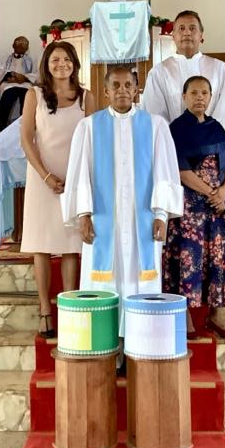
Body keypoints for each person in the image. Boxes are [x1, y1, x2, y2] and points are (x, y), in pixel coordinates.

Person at [60, 64, 184, 338]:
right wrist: (83, 214)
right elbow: (80, 173)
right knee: (104, 279)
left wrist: (161, 215)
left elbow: (164, 171)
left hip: (143, 219)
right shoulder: (89, 127)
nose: (122, 91)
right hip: (104, 221)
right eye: (115, 86)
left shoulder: (155, 125)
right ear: (105, 91)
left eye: (128, 85)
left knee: (141, 278)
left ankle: (140, 341)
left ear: (137, 89)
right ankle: (104, 340)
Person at [19, 41, 95, 338]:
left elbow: (93, 140)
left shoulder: (86, 97)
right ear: (46, 64)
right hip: (42, 177)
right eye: (55, 59)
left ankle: (69, 309)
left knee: (70, 245)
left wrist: (81, 179)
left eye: (66, 59)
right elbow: (26, 139)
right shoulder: (34, 95)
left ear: (75, 63)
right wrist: (46, 175)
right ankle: (45, 311)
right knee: (41, 244)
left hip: (74, 179)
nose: (61, 64)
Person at [163, 76, 225, 339]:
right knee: (190, 260)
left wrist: (224, 192)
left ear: (210, 97)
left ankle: (215, 316)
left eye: (204, 93)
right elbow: (180, 170)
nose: (200, 97)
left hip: (219, 207)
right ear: (184, 97)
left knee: (217, 259)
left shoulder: (216, 126)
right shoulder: (177, 128)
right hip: (191, 208)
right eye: (194, 93)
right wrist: (211, 192)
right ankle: (185, 318)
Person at [141, 10, 225, 150]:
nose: (187, 33)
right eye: (181, 28)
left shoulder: (221, 69)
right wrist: (175, 144)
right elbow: (155, 116)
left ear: (201, 35)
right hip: (174, 148)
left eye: (192, 28)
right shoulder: (158, 73)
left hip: (212, 147)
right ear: (173, 36)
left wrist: (208, 142)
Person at [0, 36, 37, 127]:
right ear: (13, 45)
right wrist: (11, 75)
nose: (21, 46)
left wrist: (24, 77)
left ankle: (24, 123)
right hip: (8, 83)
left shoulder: (31, 60)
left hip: (25, 84)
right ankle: (2, 122)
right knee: (8, 94)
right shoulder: (5, 58)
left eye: (24, 44)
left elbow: (36, 74)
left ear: (27, 48)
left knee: (27, 95)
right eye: (19, 43)